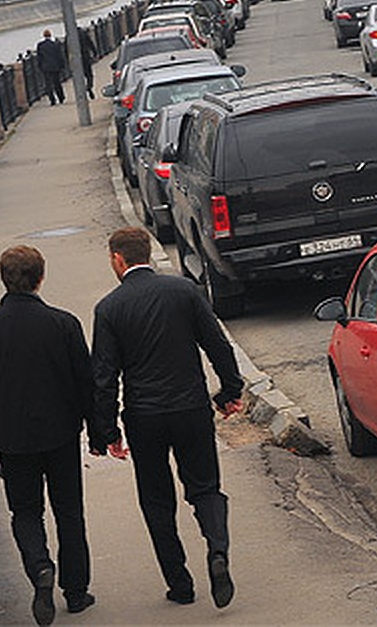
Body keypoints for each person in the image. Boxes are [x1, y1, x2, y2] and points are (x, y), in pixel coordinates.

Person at [90, 227, 244, 609]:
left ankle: (180, 584)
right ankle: (217, 549)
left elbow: (104, 377)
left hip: (144, 416)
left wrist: (108, 431)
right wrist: (229, 392)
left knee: (157, 500)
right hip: (191, 407)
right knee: (205, 487)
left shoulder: (109, 308)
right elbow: (217, 344)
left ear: (117, 259)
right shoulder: (184, 292)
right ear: (146, 253)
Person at [0, 246, 96, 626]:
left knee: (25, 511)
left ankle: (40, 567)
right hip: (61, 433)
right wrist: (99, 429)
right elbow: (84, 382)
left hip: (11, 438)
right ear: (41, 277)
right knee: (69, 511)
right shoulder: (63, 324)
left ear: (4, 279)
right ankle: (76, 591)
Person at [37, 28, 66, 105]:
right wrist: (62, 65)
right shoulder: (55, 44)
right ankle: (61, 98)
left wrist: (40, 66)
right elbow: (59, 56)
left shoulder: (40, 45)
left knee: (48, 85)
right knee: (57, 83)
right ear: (50, 35)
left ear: (44, 36)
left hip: (46, 68)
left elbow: (39, 57)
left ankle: (52, 100)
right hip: (55, 67)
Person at [77, 30, 97, 100]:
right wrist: (95, 52)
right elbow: (90, 43)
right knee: (89, 75)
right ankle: (89, 86)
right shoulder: (83, 33)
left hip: (76, 60)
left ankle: (81, 93)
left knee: (79, 77)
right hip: (85, 57)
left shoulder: (70, 35)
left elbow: (66, 48)